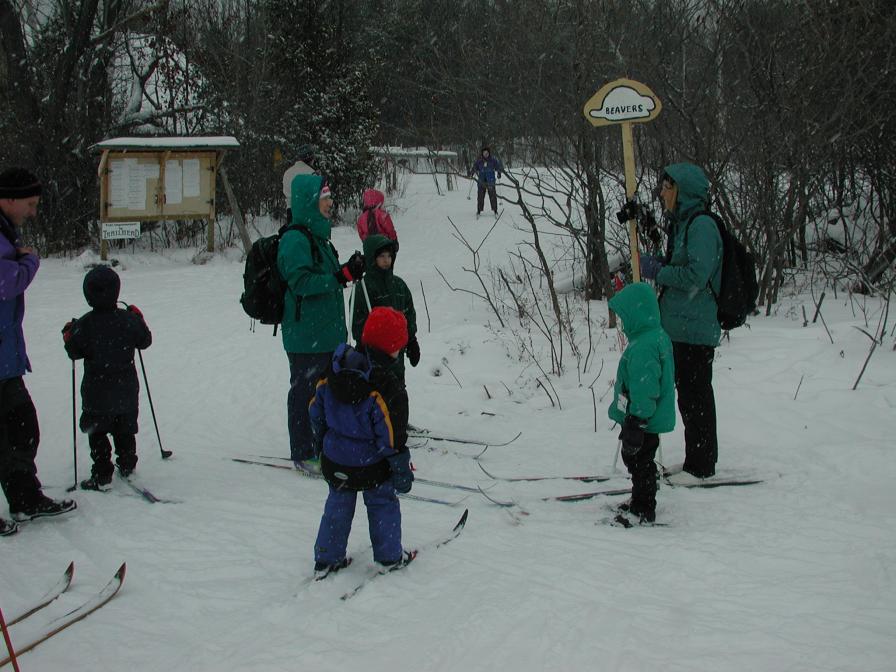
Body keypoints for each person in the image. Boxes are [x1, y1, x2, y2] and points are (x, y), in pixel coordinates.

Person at [309, 306, 414, 577]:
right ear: (391, 348)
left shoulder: (334, 369)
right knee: (382, 503)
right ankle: (389, 557)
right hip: (371, 466)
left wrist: (321, 445)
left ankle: (327, 558)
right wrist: (401, 470)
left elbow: (315, 409)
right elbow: (392, 438)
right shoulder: (387, 386)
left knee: (338, 506)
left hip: (336, 460)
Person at [0, 168, 76, 534]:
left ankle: (25, 497)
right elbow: (5, 283)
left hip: (6, 355)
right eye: (29, 204)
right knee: (14, 427)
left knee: (21, 426)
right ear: (9, 199)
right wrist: (28, 260)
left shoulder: (5, 231)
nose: (33, 212)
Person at [639, 163, 723, 483]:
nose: (662, 193)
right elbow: (681, 266)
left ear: (682, 191)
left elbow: (697, 276)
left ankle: (701, 467)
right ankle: (695, 462)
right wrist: (660, 264)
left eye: (667, 187)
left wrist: (657, 272)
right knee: (689, 395)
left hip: (695, 327)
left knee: (696, 395)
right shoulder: (683, 224)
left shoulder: (701, 226)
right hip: (681, 325)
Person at [278, 174, 365, 474]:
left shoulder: (320, 238)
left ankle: (325, 446)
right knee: (305, 393)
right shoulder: (295, 239)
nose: (330, 203)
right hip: (305, 336)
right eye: (325, 198)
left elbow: (329, 280)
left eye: (329, 197)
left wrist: (348, 271)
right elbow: (301, 282)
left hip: (326, 334)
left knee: (326, 393)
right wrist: (339, 277)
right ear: (309, 202)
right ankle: (303, 452)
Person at [62, 266, 153, 491]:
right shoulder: (128, 320)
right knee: (125, 429)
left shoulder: (84, 325)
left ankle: (102, 472)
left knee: (98, 432)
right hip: (125, 390)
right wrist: (139, 318)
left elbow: (74, 352)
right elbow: (145, 341)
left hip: (97, 392)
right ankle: (127, 464)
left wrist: (68, 335)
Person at [607, 282, 676, 524]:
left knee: (639, 462)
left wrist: (636, 421)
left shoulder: (644, 346)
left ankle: (644, 507)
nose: (623, 324)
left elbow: (645, 388)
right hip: (646, 418)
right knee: (640, 461)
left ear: (637, 314)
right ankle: (641, 499)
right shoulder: (653, 336)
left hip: (643, 419)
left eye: (625, 317)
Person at [351, 234, 418, 383]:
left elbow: (409, 313)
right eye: (381, 256)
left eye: (389, 256)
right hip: (374, 359)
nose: (386, 260)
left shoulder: (399, 285)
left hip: (397, 359)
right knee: (379, 399)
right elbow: (358, 320)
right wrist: (365, 343)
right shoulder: (364, 287)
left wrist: (412, 340)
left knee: (398, 396)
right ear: (371, 258)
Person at [469, 146, 503, 217]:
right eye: (484, 153)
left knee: (493, 195)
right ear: (482, 153)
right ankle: (479, 210)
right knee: (480, 196)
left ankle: (495, 210)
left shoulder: (493, 160)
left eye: (487, 153)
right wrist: (472, 172)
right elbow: (475, 167)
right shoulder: (479, 161)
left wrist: (499, 173)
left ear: (489, 153)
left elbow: (498, 166)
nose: (485, 154)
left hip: (490, 180)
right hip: (481, 181)